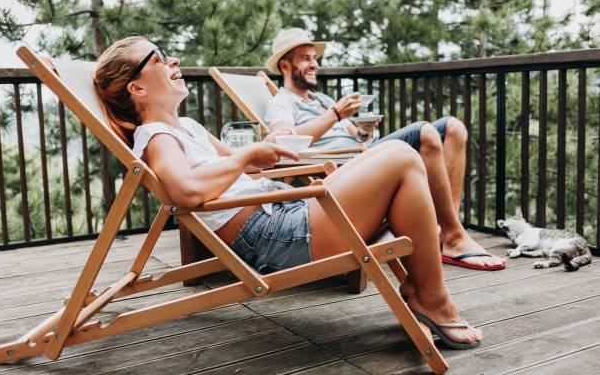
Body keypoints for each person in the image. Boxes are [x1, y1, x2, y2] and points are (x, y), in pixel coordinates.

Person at [92, 35, 482, 349]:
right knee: (399, 154)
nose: (172, 61)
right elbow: (185, 191)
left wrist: (261, 157)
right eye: (159, 58)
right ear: (137, 88)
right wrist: (248, 156)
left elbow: (250, 164)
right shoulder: (156, 136)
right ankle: (431, 297)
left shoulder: (187, 126)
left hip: (281, 209)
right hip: (273, 233)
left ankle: (423, 288)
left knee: (399, 154)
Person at [264, 28, 505, 271]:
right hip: (344, 170)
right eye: (306, 58)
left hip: (362, 153)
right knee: (425, 133)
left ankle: (445, 232)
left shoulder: (322, 100)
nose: (314, 64)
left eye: (315, 58)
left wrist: (363, 130)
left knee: (454, 128)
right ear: (285, 66)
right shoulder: (281, 102)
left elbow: (353, 135)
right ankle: (454, 238)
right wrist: (335, 114)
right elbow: (284, 139)